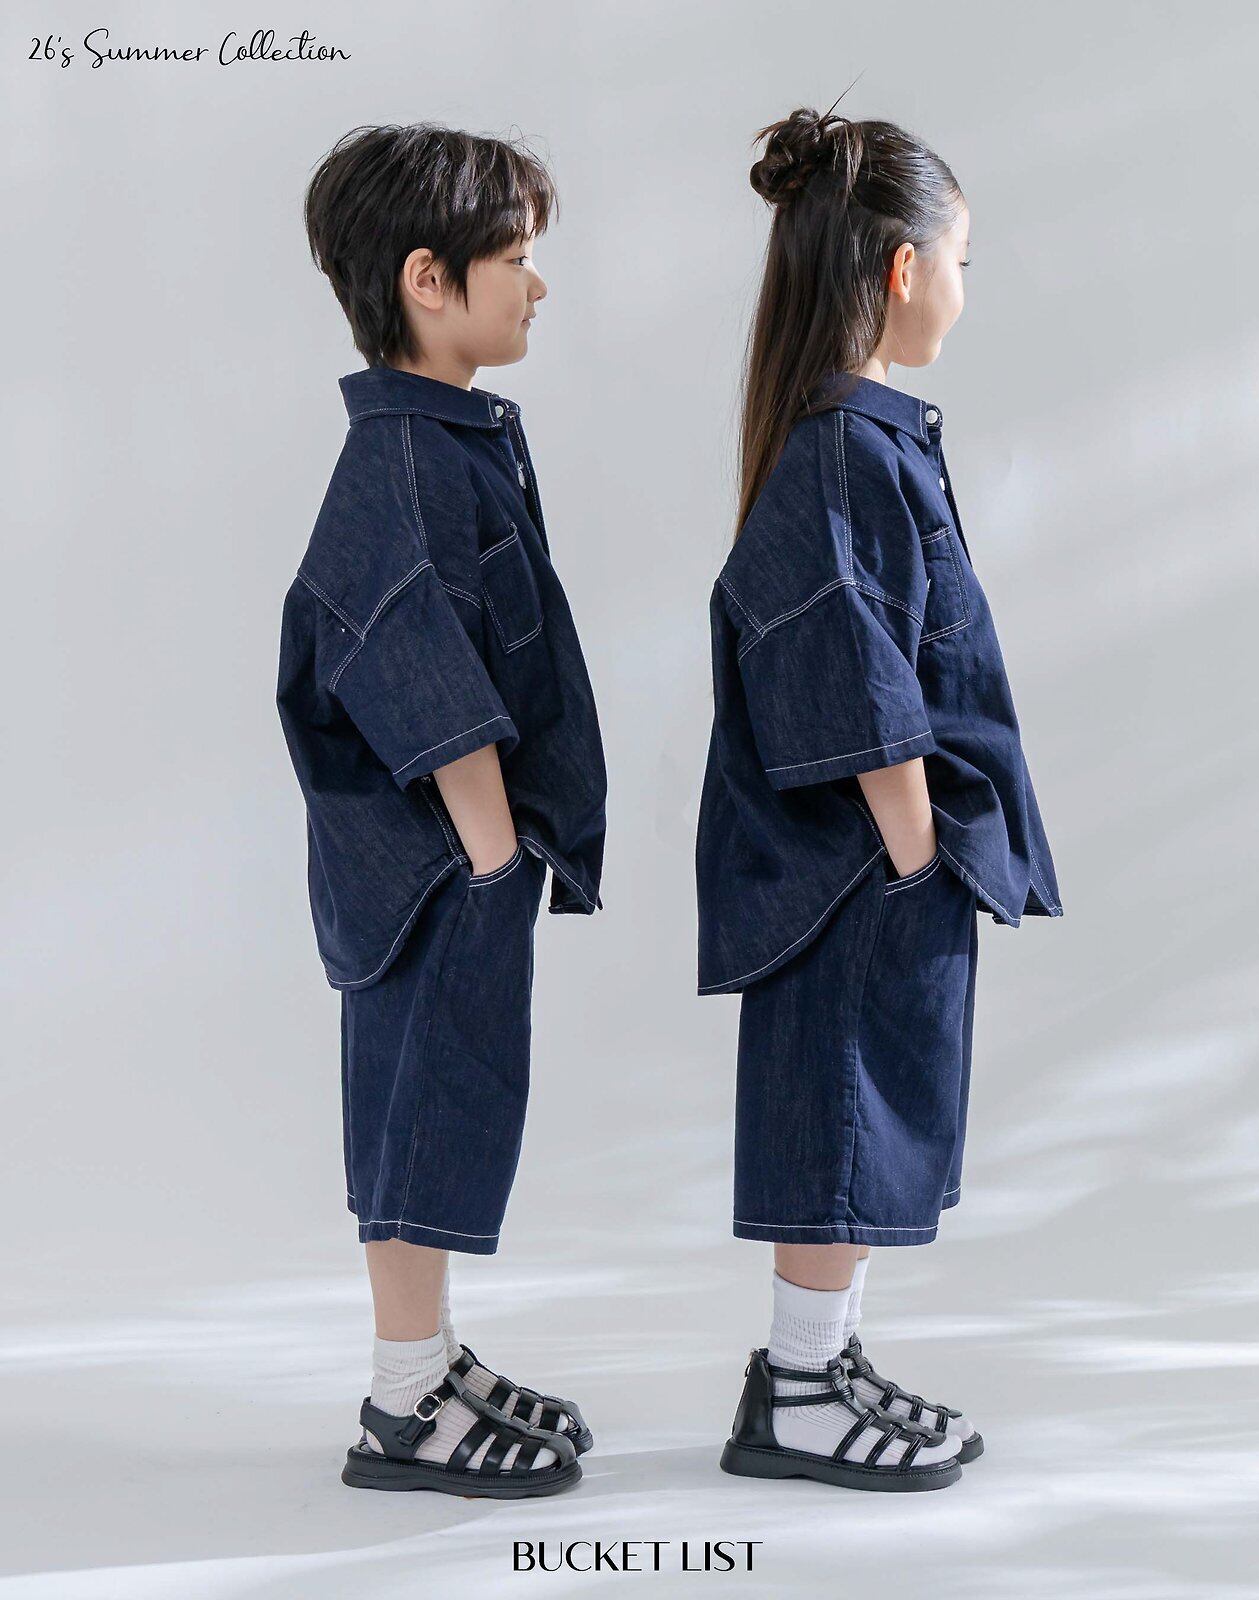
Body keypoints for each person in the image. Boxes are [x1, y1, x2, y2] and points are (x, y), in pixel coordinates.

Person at [696, 106, 1062, 1492]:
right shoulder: (843, 449)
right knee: (839, 1124)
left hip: (872, 868)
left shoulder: (860, 441)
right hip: (853, 871)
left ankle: (822, 1364)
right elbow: (854, 667)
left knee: (863, 1121)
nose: (964, 287)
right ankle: (799, 1391)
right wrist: (913, 851)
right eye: (961, 258)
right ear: (905, 269)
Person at [276, 122, 607, 1497]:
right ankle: (404, 1399)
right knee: (421, 1117)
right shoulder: (403, 459)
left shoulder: (443, 443)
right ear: (429, 279)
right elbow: (409, 654)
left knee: (445, 1109)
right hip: (429, 871)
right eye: (516, 259)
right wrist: (487, 849)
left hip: (448, 865)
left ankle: (431, 1360)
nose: (538, 285)